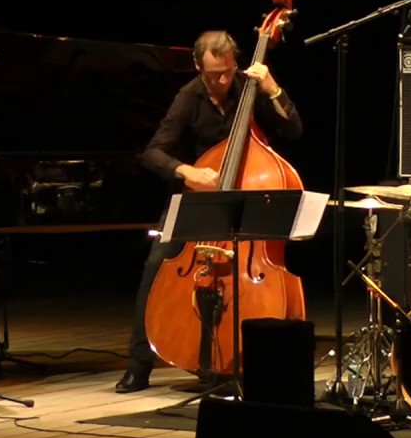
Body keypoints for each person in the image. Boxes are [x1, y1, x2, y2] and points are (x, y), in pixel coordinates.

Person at [114, 31, 304, 393]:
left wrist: (273, 88)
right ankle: (139, 363)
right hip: (196, 205)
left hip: (245, 206)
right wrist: (188, 172)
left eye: (227, 72)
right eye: (213, 74)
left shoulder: (248, 89)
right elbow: (153, 152)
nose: (221, 81)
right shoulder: (189, 97)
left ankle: (237, 358)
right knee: (156, 264)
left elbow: (293, 130)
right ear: (198, 66)